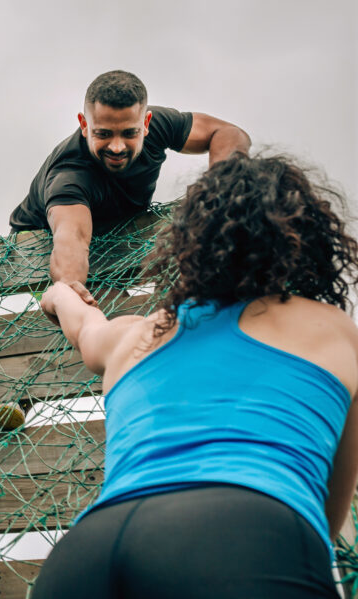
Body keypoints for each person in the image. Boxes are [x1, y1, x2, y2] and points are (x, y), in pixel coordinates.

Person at [30, 154, 358, 599]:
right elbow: (327, 506)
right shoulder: (334, 330)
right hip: (247, 537)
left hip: (88, 552)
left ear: (189, 244)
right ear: (304, 241)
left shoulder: (139, 334)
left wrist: (57, 294)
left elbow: (84, 324)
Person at [8, 69, 251, 306]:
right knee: (107, 311)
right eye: (103, 134)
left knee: (184, 279)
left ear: (145, 123)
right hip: (41, 245)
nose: (117, 147)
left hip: (116, 229)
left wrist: (220, 186)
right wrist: (69, 285)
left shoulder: (159, 126)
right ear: (84, 125)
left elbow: (228, 132)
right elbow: (73, 238)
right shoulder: (69, 177)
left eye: (129, 134)